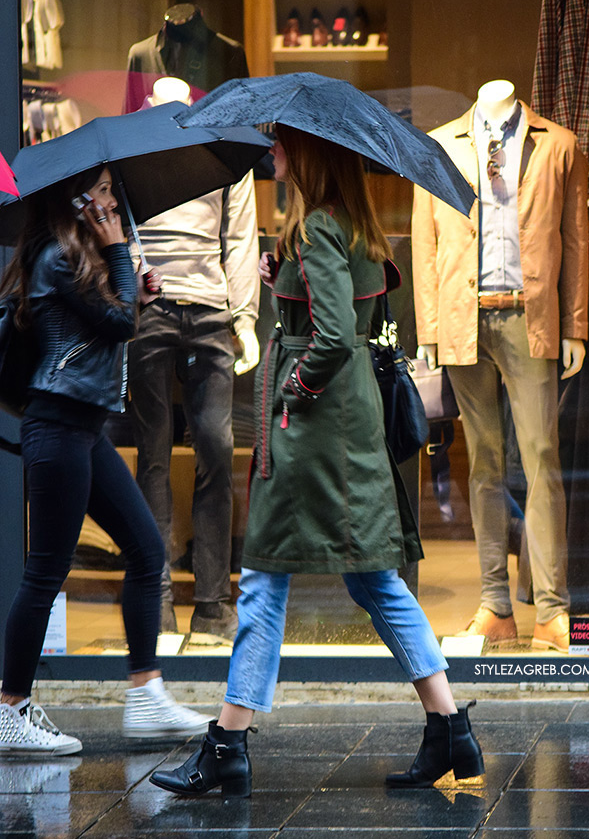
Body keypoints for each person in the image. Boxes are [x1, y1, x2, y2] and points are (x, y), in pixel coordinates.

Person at [148, 124, 485, 799]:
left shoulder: (316, 230)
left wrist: (295, 388)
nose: (272, 156)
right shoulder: (352, 228)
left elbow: (329, 337)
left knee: (266, 576)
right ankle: (449, 726)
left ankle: (228, 743)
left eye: (280, 147)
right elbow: (346, 319)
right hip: (348, 430)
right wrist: (284, 285)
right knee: (372, 580)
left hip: (311, 432)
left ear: (309, 155)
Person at [0, 165, 213, 755]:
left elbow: (111, 322)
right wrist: (121, 253)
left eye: (110, 188)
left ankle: (145, 696)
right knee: (45, 572)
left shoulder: (76, 261)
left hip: (84, 431)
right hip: (59, 430)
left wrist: (132, 287)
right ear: (74, 200)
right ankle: (9, 708)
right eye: (100, 189)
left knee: (147, 552)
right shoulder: (55, 260)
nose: (112, 199)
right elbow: (117, 324)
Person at [412, 79, 589, 653]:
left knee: (541, 457)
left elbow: (575, 239)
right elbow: (426, 244)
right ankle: (495, 605)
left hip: (529, 316)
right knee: (484, 462)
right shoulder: (440, 147)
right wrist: (431, 330)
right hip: (465, 318)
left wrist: (575, 325)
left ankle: (553, 608)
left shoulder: (558, 145)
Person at [127, 76, 260, 639]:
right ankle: (155, 601)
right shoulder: (130, 146)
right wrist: (135, 278)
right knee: (153, 455)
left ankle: (213, 604)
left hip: (210, 309)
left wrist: (246, 317)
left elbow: (241, 236)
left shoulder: (224, 146)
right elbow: (121, 225)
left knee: (215, 447)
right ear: (151, 106)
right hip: (150, 310)